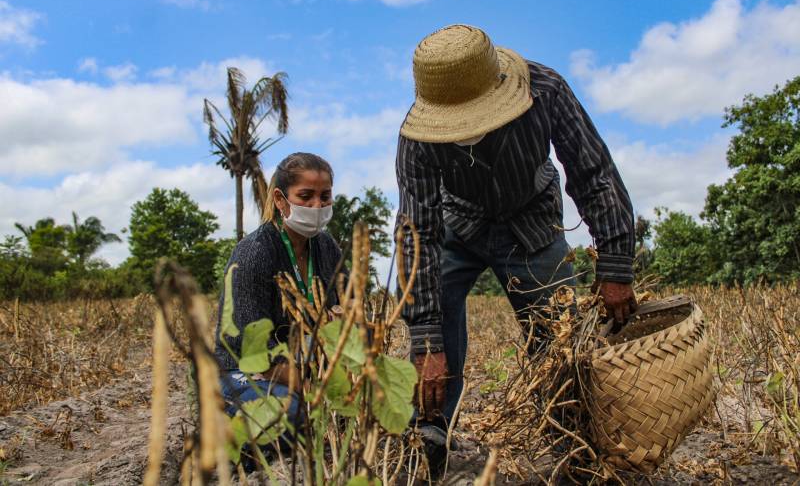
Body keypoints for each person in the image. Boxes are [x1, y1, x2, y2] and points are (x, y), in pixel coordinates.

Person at [395, 25, 637, 468]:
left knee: (560, 335)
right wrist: (427, 340)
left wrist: (617, 264)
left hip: (531, 220)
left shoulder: (545, 90)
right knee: (432, 333)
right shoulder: (416, 139)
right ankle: (427, 434)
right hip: (458, 224)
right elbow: (418, 235)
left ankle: (572, 439)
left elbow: (593, 173)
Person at [213, 152, 342, 435]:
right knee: (292, 415)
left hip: (302, 367)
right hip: (243, 371)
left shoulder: (327, 247)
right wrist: (313, 391)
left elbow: (347, 309)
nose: (317, 206)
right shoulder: (255, 252)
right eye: (306, 196)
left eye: (325, 197)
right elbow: (256, 351)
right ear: (280, 200)